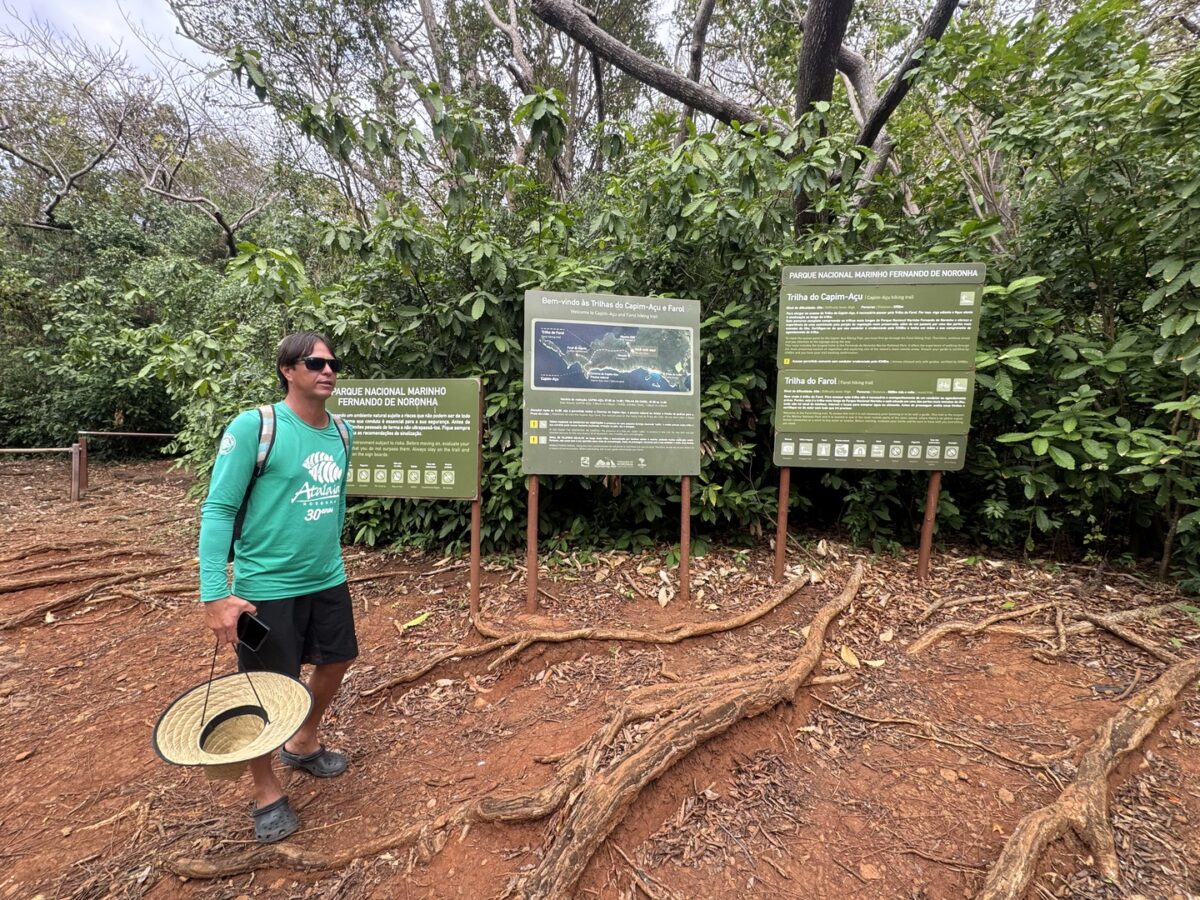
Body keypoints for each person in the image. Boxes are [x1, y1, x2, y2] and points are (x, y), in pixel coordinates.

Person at [198, 331, 356, 843]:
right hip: (266, 586)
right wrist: (215, 593)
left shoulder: (342, 432)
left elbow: (331, 505)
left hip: (326, 577)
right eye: (314, 363)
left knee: (337, 660)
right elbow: (219, 508)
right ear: (288, 370)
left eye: (332, 364)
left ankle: (304, 741)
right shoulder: (255, 427)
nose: (327, 371)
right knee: (266, 689)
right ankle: (265, 791)